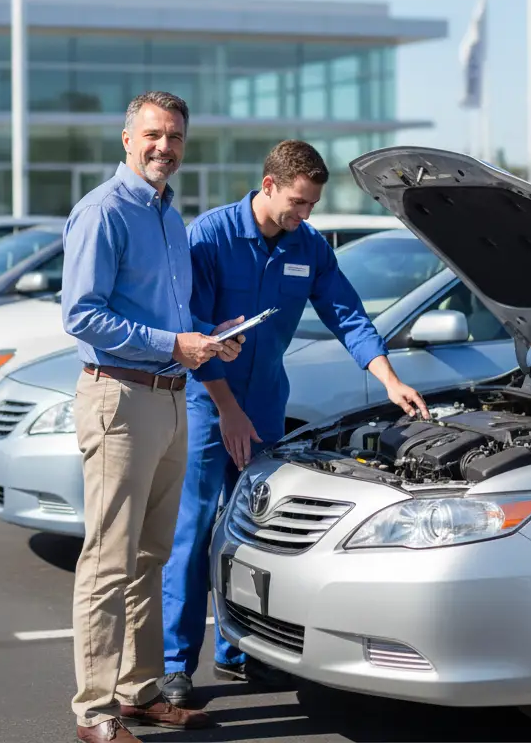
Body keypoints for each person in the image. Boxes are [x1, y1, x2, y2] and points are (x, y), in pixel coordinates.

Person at [159, 139, 429, 708]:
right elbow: (193, 327)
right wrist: (228, 410)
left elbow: (348, 315)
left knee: (255, 534)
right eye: (297, 203)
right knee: (195, 532)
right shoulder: (210, 237)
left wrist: (388, 378)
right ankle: (176, 664)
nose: (303, 215)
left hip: (265, 407)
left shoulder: (308, 246)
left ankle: (240, 651)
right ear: (268, 186)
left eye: (311, 205)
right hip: (211, 407)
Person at [60, 90, 247, 743]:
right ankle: (95, 711)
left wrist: (208, 336)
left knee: (151, 555)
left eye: (174, 137)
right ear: (127, 139)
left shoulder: (170, 217)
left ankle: (138, 691)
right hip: (120, 399)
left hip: (170, 400)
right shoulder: (103, 212)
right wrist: (175, 345)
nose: (163, 146)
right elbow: (82, 315)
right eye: (152, 134)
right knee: (108, 562)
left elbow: (170, 319)